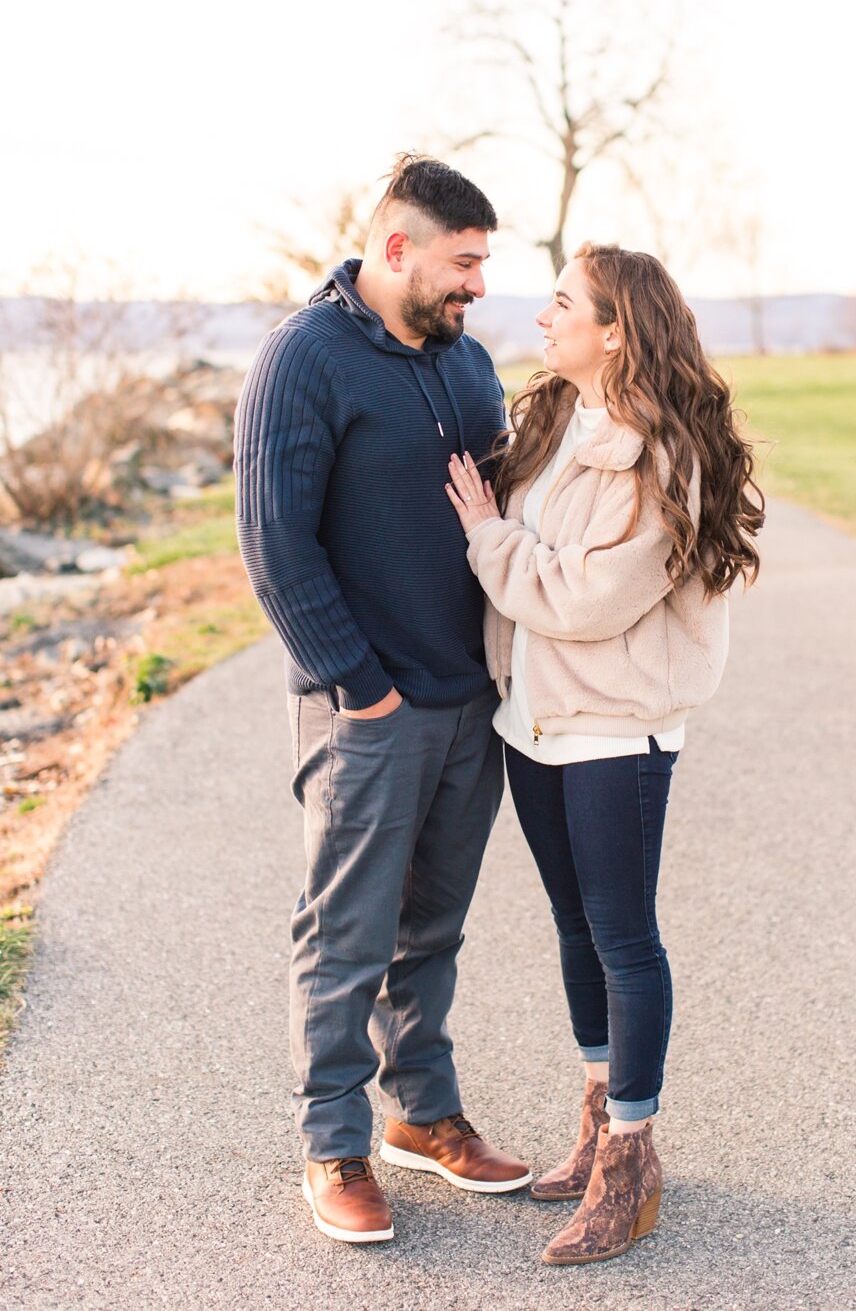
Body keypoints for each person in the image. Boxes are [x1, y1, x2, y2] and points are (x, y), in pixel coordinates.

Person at [445, 241, 764, 1266]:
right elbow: (546, 570)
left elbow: (584, 599)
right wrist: (509, 538)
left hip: (615, 728)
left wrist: (490, 538)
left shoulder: (665, 453)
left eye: (561, 304)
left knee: (624, 937)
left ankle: (631, 1159)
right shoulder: (554, 423)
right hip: (532, 720)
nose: (541, 319)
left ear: (616, 328)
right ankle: (595, 1114)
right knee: (574, 927)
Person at [234, 156, 531, 1246]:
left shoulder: (465, 363)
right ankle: (334, 1143)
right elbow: (273, 539)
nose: (477, 286)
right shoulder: (302, 359)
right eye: (463, 263)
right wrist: (362, 686)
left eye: (484, 264)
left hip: (470, 706)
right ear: (395, 250)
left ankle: (424, 1115)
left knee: (432, 931)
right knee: (347, 933)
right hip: (367, 707)